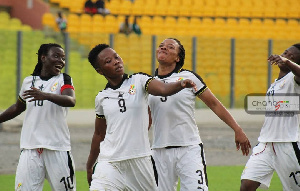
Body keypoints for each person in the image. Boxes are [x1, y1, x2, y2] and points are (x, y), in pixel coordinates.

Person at [86, 44, 197, 191]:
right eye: (108, 61)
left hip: (141, 161)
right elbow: (99, 134)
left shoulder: (139, 80)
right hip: (110, 162)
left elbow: (163, 89)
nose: (116, 61)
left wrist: (180, 84)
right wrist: (90, 165)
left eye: (116, 57)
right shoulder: (101, 98)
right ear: (100, 71)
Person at [147, 38, 251, 191]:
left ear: (178, 58)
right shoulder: (150, 83)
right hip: (159, 151)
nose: (163, 48)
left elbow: (214, 104)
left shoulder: (189, 77)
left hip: (188, 149)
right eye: (161, 46)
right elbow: (147, 119)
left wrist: (237, 129)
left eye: (170, 47)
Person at [0, 43, 76, 190]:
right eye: (56, 56)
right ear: (43, 58)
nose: (61, 61)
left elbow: (71, 101)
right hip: (30, 148)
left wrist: (45, 95)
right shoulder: (29, 82)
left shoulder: (64, 79)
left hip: (57, 148)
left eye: (63, 58)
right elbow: (18, 107)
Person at [240, 44, 300, 191]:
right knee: (246, 186)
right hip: (266, 143)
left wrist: (287, 62)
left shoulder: (294, 80)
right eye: (285, 53)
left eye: (292, 57)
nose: (285, 56)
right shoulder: (275, 84)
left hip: (288, 143)